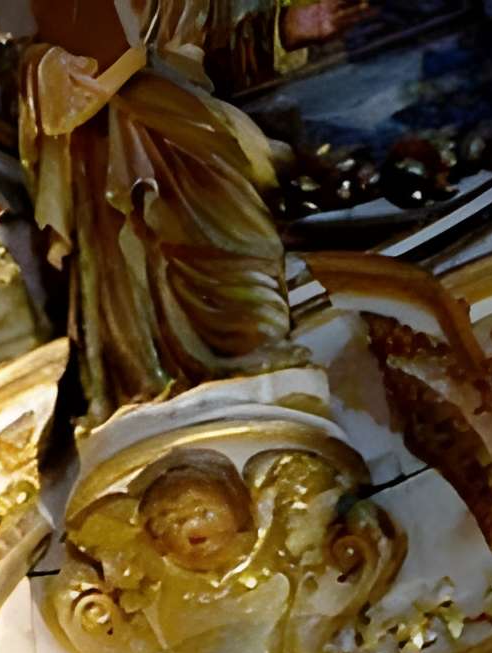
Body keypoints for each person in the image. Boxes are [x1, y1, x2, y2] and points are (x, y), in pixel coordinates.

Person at [17, 0, 304, 417]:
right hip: (110, 149)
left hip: (193, 123)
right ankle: (166, 375)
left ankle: (254, 343)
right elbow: (34, 54)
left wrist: (282, 30)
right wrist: (51, 70)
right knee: (139, 250)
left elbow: (222, 48)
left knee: (239, 236)